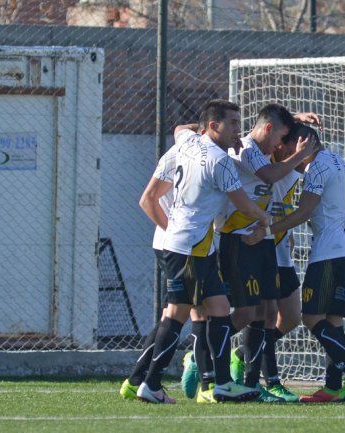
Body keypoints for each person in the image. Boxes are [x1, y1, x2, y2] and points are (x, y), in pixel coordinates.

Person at [135, 99, 269, 404]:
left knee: (220, 309)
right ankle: (151, 384)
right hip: (192, 248)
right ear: (213, 125)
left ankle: (221, 383)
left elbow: (181, 128)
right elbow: (244, 204)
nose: (239, 130)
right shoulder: (219, 161)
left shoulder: (187, 141)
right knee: (177, 316)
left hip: (197, 247)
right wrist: (266, 219)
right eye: (233, 123)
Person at [243, 124, 345, 404]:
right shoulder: (338, 160)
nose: (288, 153)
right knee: (333, 321)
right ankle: (332, 387)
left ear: (305, 143)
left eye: (291, 147)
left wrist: (268, 229)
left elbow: (304, 212)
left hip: (328, 253)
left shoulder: (317, 168)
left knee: (311, 318)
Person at [216, 104, 316, 402]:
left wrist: (294, 120)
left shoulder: (279, 161)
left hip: (265, 241)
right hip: (239, 240)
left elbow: (273, 196)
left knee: (273, 313)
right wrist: (299, 151)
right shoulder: (249, 151)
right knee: (250, 312)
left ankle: (253, 378)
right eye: (286, 140)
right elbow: (269, 175)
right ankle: (208, 355)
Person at [119, 125, 213, 400]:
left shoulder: (186, 143)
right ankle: (198, 375)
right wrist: (173, 233)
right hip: (180, 246)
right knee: (192, 312)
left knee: (173, 313)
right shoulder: (192, 153)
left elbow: (180, 127)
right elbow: (147, 200)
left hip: (174, 245)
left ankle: (137, 379)